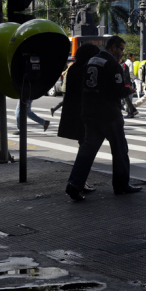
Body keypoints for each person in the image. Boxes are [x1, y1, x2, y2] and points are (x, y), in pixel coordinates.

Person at [65, 35, 141, 201]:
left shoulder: (91, 61)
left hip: (90, 113)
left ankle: (74, 183)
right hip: (109, 114)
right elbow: (118, 91)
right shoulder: (112, 64)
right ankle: (121, 185)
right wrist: (127, 91)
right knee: (120, 150)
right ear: (113, 47)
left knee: (87, 150)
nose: (122, 53)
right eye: (121, 49)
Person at [57, 43, 99, 194]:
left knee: (84, 147)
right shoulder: (85, 69)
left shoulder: (74, 68)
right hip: (84, 114)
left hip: (74, 113)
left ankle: (81, 181)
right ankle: (78, 182)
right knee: (86, 148)